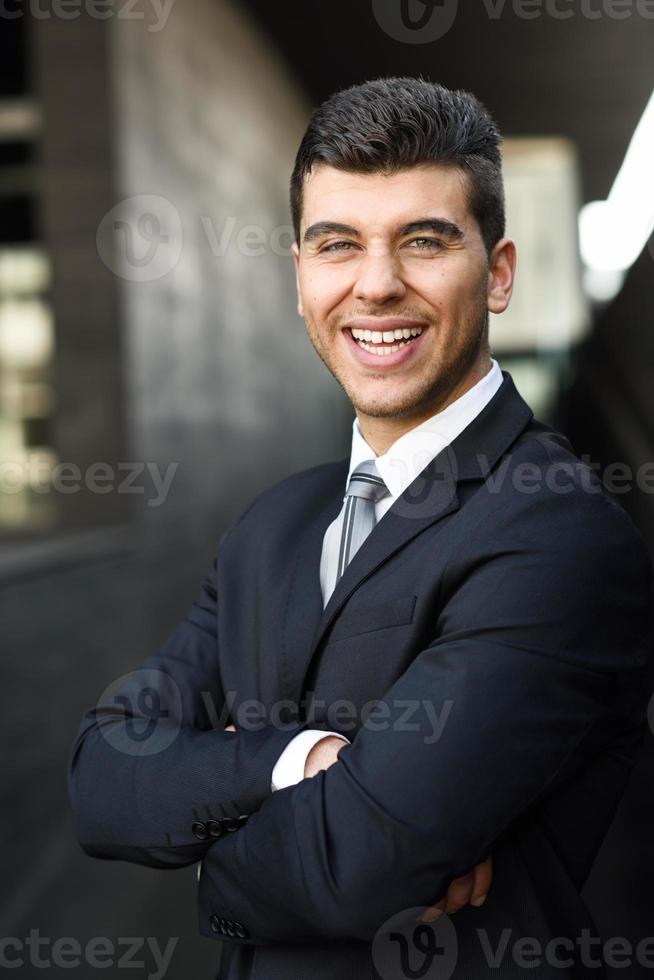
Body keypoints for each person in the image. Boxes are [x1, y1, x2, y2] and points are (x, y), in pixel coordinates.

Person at [69, 77, 654, 980]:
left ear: (497, 273)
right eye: (337, 244)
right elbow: (102, 778)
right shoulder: (273, 523)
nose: (377, 286)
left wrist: (202, 839)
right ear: (301, 277)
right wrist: (300, 762)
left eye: (424, 241)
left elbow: (354, 870)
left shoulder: (559, 531)